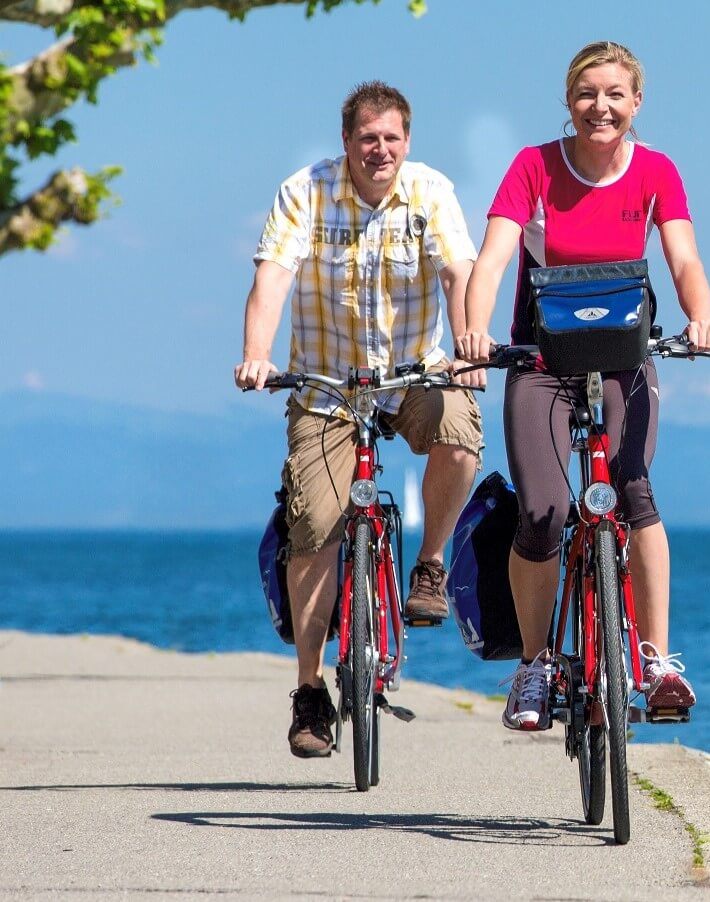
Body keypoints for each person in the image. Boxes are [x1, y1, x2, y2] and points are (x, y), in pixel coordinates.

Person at [457, 41, 710, 731]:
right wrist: (473, 333)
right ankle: (538, 665)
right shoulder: (534, 168)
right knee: (543, 512)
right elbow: (492, 258)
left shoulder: (656, 170)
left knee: (633, 492)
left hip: (624, 362)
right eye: (585, 94)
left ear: (636, 104)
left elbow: (684, 255)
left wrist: (701, 319)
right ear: (568, 102)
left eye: (614, 95)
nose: (599, 107)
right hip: (541, 364)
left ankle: (657, 660)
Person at [235, 81, 482, 758]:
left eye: (392, 138)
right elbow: (272, 279)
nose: (381, 150)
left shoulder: (431, 191)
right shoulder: (304, 192)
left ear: (408, 141)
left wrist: (467, 344)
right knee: (314, 523)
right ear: (346, 141)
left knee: (461, 433)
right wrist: (257, 355)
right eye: (368, 138)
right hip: (326, 388)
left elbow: (460, 273)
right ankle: (311, 690)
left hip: (412, 377)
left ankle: (429, 565)